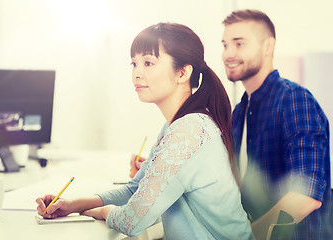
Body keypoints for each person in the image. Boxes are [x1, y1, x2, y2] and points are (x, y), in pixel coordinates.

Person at [36, 22, 254, 239]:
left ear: (183, 72)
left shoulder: (189, 131)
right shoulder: (179, 124)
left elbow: (132, 220)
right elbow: (134, 189)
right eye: (134, 63)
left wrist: (100, 212)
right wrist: (73, 205)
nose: (137, 73)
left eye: (148, 63)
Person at [221, 9, 332, 240]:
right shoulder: (239, 113)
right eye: (225, 45)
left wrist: (249, 236)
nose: (228, 54)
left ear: (268, 46)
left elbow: (306, 195)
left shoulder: (294, 99)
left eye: (239, 44)